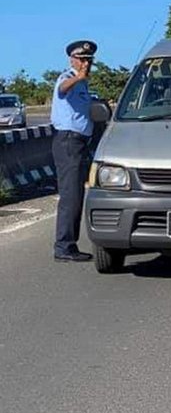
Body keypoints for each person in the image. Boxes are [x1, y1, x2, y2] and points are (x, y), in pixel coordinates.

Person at [51, 40, 97, 262]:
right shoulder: (67, 77)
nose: (86, 64)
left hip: (79, 143)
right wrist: (78, 77)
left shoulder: (84, 85)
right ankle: (63, 247)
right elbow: (61, 89)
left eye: (89, 60)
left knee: (77, 195)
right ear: (72, 59)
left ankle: (69, 244)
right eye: (82, 59)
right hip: (69, 142)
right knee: (70, 196)